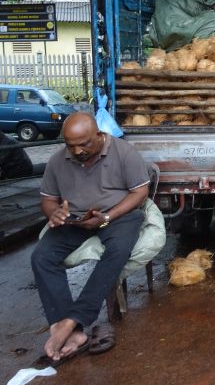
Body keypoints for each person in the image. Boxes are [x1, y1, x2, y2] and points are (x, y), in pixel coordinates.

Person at [30, 112, 149, 363]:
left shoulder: (124, 152)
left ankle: (74, 319)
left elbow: (140, 191)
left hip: (117, 215)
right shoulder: (57, 160)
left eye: (84, 144)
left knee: (117, 251)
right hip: (76, 219)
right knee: (41, 256)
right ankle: (70, 330)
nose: (77, 151)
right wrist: (55, 213)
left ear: (98, 134)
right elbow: (48, 199)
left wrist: (108, 217)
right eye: (70, 145)